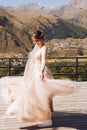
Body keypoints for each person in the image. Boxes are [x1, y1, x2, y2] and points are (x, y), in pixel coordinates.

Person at [0, 30, 79, 127]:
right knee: (34, 93)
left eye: (36, 40)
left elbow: (43, 62)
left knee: (42, 94)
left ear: (41, 39)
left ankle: (46, 115)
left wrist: (41, 72)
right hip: (34, 72)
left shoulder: (44, 48)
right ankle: (42, 112)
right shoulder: (38, 47)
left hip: (40, 72)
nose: (35, 43)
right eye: (34, 41)